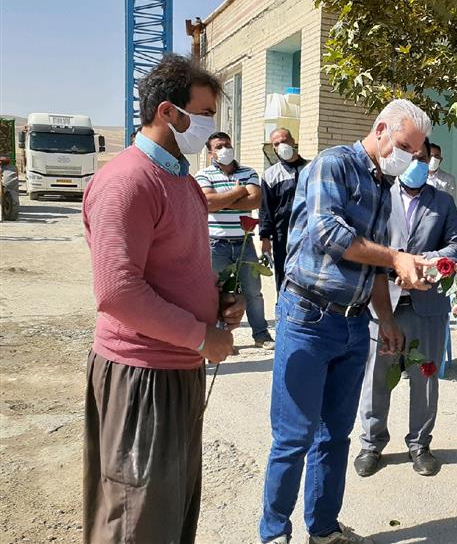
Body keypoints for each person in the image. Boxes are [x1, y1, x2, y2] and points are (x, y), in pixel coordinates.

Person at [82, 53, 244, 544]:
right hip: (142, 375)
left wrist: (216, 300)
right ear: (168, 112)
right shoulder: (128, 181)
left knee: (170, 510)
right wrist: (200, 336)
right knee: (137, 519)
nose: (212, 129)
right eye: (205, 113)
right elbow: (118, 292)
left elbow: (175, 265)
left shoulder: (181, 180)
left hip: (176, 369)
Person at [258, 99, 435, 544]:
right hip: (309, 316)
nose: (408, 158)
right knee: (294, 436)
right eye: (404, 146)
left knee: (335, 435)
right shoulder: (333, 165)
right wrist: (397, 257)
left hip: (354, 324)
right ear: (381, 129)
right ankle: (274, 533)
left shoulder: (383, 185)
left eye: (415, 152)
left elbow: (372, 265)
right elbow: (328, 234)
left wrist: (386, 318)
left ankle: (322, 529)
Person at [354, 146, 457, 478]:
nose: (416, 164)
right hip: (383, 299)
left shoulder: (442, 201)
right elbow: (364, 243)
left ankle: (420, 444)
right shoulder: (379, 196)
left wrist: (420, 265)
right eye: (411, 157)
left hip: (426, 303)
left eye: (422, 159)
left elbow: (456, 247)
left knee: (425, 376)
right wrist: (394, 266)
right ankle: (371, 443)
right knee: (376, 376)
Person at [196, 132, 273, 350]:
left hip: (244, 242)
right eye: (219, 147)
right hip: (215, 244)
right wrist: (239, 192)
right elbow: (208, 203)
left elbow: (255, 200)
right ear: (211, 153)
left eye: (227, 145)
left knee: (253, 291)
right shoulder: (204, 175)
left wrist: (222, 200)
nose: (225, 150)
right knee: (215, 293)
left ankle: (261, 335)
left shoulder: (248, 172)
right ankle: (220, 337)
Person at [260, 128, 309, 294]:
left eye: (284, 141)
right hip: (283, 235)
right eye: (276, 144)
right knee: (284, 276)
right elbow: (266, 209)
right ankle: (283, 306)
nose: (281, 146)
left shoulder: (312, 167)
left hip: (310, 232)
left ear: (293, 141)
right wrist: (264, 237)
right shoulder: (270, 175)